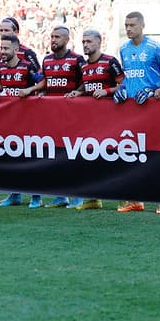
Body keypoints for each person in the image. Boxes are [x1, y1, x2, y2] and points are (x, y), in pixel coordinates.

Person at [114, 11, 160, 213]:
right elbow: (127, 77)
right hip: (130, 109)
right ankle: (135, 200)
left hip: (150, 108)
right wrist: (121, 90)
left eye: (132, 25)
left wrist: (154, 88)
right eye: (126, 25)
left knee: (154, 154)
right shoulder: (123, 49)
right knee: (130, 154)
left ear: (142, 26)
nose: (128, 28)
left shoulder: (155, 47)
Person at [67, 29, 125, 210]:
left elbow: (124, 83)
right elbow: (88, 82)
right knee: (91, 158)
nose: (85, 45)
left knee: (114, 158)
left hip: (111, 120)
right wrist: (79, 91)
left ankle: (125, 198)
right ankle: (93, 199)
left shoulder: (110, 62)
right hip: (90, 121)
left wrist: (107, 92)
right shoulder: (83, 65)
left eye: (89, 41)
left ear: (99, 42)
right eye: (83, 41)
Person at [36, 25, 85, 208]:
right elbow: (46, 81)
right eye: (51, 36)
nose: (53, 40)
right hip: (51, 117)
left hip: (72, 117)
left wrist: (77, 92)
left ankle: (78, 195)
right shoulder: (47, 59)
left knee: (73, 157)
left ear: (67, 40)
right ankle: (61, 196)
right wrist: (41, 92)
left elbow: (84, 83)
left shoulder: (77, 59)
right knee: (56, 157)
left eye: (57, 37)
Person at [0, 33, 44, 209]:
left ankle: (36, 197)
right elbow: (0, 85)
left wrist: (30, 90)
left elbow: (43, 82)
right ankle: (14, 194)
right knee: (11, 158)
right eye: (1, 48)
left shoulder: (27, 67)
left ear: (16, 49)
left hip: (27, 121)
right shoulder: (1, 67)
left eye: (6, 48)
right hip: (8, 121)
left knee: (29, 158)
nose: (2, 51)